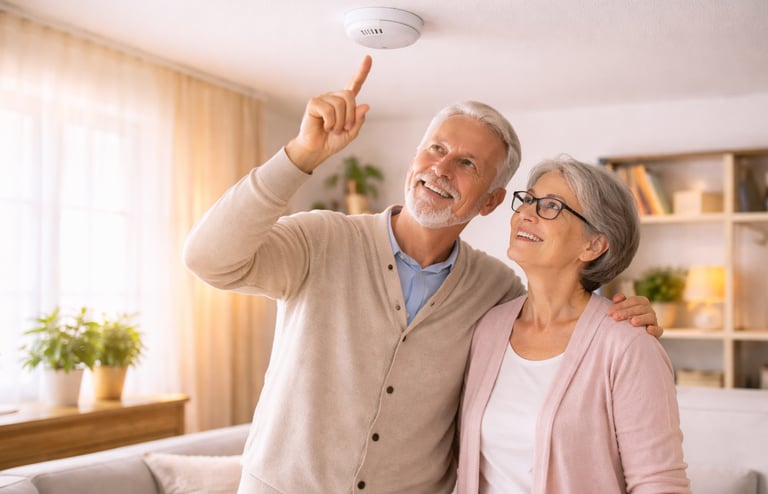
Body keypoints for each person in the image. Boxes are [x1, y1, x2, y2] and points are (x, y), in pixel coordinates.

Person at [183, 56, 660, 493]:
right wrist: (301, 155)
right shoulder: (323, 239)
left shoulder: (496, 294)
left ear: (492, 201)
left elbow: (561, 319)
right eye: (435, 148)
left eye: (467, 163)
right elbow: (208, 259)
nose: (441, 168)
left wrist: (624, 319)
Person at [456, 156, 690, 493]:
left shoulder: (626, 345)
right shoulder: (488, 327)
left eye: (551, 206)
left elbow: (660, 482)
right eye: (529, 199)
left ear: (593, 245)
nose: (525, 213)